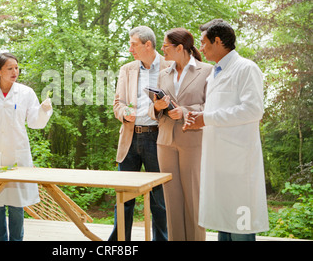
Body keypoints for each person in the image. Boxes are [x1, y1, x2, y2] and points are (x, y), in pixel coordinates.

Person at [183, 19, 269, 241]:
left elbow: (253, 110)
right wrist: (198, 118)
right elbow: (217, 110)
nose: (199, 48)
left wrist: (207, 118)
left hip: (239, 163)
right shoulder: (215, 73)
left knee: (240, 226)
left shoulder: (246, 68)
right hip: (218, 162)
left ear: (218, 41)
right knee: (224, 224)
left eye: (203, 42)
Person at [0, 52, 52, 241]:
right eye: (10, 68)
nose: (15, 71)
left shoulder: (26, 93)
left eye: (16, 67)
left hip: (17, 153)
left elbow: (34, 122)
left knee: (16, 205)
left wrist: (43, 110)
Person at [149, 28, 212, 241]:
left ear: (180, 48)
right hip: (165, 141)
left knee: (193, 198)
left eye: (166, 46)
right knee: (171, 200)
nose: (162, 50)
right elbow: (152, 111)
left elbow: (211, 106)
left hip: (193, 139)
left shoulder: (207, 71)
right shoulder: (162, 74)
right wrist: (157, 107)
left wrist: (183, 112)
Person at [110, 26, 169, 241]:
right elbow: (117, 104)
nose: (130, 48)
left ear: (148, 44)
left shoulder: (169, 66)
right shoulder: (127, 69)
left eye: (133, 44)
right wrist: (125, 113)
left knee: (160, 200)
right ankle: (119, 244)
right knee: (124, 198)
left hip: (157, 138)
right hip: (129, 137)